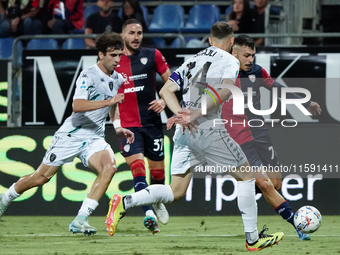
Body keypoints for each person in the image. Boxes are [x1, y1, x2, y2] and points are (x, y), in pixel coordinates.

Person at [106, 21, 284, 252]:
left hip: (184, 131)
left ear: (210, 40)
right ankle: (252, 239)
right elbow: (227, 88)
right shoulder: (230, 60)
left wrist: (180, 114)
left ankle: (126, 201)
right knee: (248, 176)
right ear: (231, 42)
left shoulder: (194, 59)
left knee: (176, 190)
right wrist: (196, 114)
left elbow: (165, 90)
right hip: (208, 128)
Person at [0, 31, 134, 236]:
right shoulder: (88, 75)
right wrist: (109, 101)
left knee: (110, 167)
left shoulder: (117, 78)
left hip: (94, 137)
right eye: (112, 55)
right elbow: (77, 105)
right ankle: (5, 199)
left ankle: (81, 219)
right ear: (101, 54)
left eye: (119, 55)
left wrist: (117, 126)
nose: (117, 60)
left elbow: (112, 108)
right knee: (40, 178)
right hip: (72, 135)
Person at [223, 34, 322, 240]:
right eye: (246, 55)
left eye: (253, 55)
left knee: (275, 183)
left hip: (260, 133)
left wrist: (305, 103)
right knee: (266, 184)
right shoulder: (223, 75)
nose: (251, 60)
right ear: (234, 53)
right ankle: (297, 224)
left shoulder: (257, 72)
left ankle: (249, 195)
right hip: (240, 138)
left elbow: (276, 88)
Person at [112, 18, 171, 234]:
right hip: (129, 126)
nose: (136, 37)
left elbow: (172, 82)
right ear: (122, 37)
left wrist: (164, 100)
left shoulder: (152, 55)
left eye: (139, 33)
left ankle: (156, 200)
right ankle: (148, 213)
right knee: (138, 169)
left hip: (153, 123)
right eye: (131, 33)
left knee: (158, 175)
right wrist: (116, 123)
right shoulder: (114, 61)